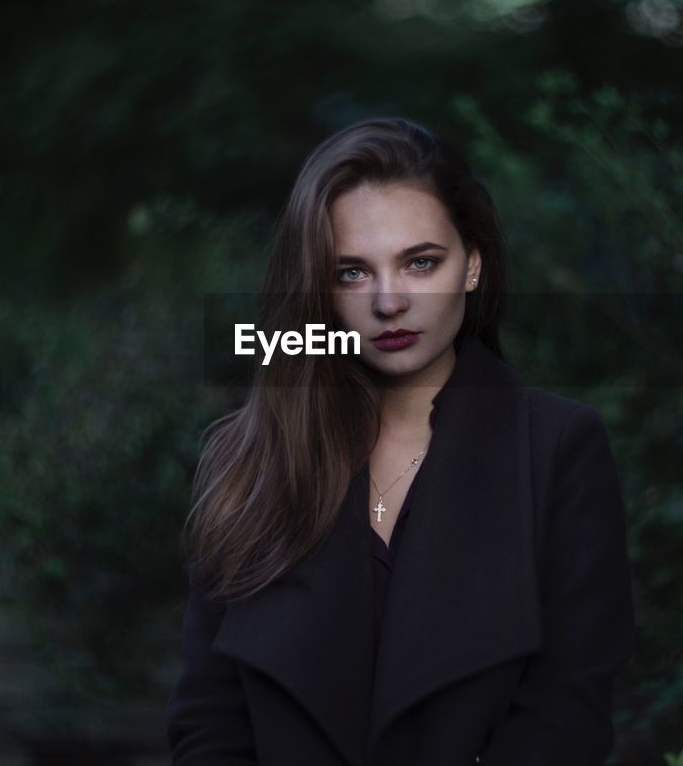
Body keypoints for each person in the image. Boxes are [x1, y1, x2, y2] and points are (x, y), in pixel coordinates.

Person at [165, 117, 635, 765]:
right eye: (353, 272)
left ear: (472, 264)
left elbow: (568, 712)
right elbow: (208, 724)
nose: (390, 300)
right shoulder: (246, 461)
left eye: (420, 262)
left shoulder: (558, 451)